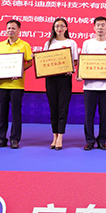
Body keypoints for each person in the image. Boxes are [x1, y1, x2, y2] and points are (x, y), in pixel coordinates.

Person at [0, 19, 33, 149]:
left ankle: (15, 139)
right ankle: (1, 138)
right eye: (8, 28)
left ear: (19, 30)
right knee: (1, 113)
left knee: (16, 113)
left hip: (17, 85)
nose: (11, 30)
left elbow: (30, 62)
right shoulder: (0, 45)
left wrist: (19, 71)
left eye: (13, 28)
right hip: (1, 85)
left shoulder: (25, 45)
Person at [80, 16, 106, 150]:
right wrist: (81, 74)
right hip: (89, 86)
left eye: (103, 25)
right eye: (98, 25)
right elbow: (83, 62)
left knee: (104, 115)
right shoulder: (87, 43)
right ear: (94, 27)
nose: (100, 28)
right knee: (88, 115)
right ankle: (90, 140)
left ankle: (102, 140)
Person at [43, 18, 79, 151]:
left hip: (64, 79)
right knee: (53, 107)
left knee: (63, 107)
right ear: (53, 28)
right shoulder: (49, 43)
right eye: (57, 26)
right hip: (51, 79)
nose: (59, 28)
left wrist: (70, 67)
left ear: (66, 28)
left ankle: (60, 137)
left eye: (62, 26)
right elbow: (44, 60)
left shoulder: (71, 42)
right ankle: (54, 135)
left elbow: (75, 61)